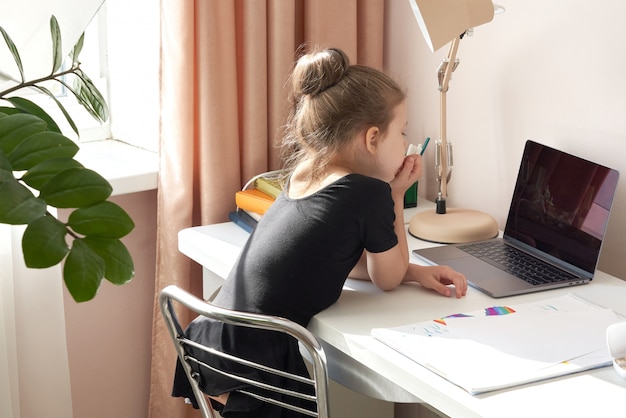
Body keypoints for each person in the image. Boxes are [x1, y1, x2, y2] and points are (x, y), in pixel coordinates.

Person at [172, 47, 467, 417]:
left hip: (216, 344)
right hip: (260, 370)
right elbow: (385, 278)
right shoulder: (369, 192)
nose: (406, 141)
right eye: (402, 131)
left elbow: (339, 258)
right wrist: (393, 193)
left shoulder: (306, 172)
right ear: (373, 138)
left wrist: (415, 272)